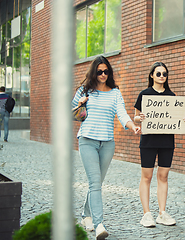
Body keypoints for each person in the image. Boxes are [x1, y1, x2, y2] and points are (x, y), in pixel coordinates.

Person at [72, 56, 140, 239]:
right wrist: (80, 104)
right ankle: (99, 224)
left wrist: (132, 126)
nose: (103, 74)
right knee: (95, 183)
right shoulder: (84, 90)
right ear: (94, 72)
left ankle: (85, 215)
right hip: (87, 140)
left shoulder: (115, 93)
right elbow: (72, 113)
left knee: (97, 182)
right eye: (99, 71)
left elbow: (122, 113)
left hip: (107, 143)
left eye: (106, 71)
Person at [134, 62, 185, 228]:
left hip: (167, 142)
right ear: (152, 75)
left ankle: (162, 213)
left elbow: (177, 118)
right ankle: (147, 214)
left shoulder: (172, 97)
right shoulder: (144, 95)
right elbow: (135, 118)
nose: (161, 77)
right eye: (158, 74)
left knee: (163, 176)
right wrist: (139, 118)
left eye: (164, 74)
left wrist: (183, 120)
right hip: (149, 142)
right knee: (147, 177)